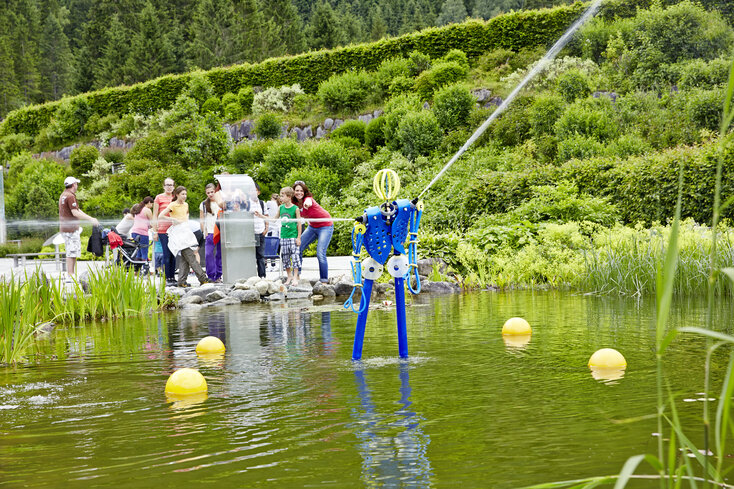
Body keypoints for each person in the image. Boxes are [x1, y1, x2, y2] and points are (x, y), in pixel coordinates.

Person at [157, 186, 209, 287]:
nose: (185, 196)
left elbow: (186, 215)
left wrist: (185, 223)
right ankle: (203, 278)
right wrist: (174, 220)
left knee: (185, 258)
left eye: (185, 194)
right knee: (190, 255)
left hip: (186, 231)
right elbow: (160, 216)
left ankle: (181, 281)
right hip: (177, 233)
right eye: (182, 194)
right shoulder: (172, 205)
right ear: (177, 195)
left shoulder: (186, 205)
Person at [293, 180, 333, 283]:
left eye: (301, 191)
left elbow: (308, 202)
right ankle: (296, 276)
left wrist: (306, 204)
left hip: (325, 226)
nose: (299, 193)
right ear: (293, 191)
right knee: (298, 247)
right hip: (312, 227)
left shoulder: (308, 199)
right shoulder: (294, 203)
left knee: (320, 253)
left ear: (304, 191)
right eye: (297, 190)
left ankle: (324, 280)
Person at [58, 176, 99, 278]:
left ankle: (71, 274)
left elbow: (77, 209)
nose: (77, 186)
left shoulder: (64, 195)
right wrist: (90, 219)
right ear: (73, 185)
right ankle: (70, 275)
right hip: (70, 229)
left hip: (66, 228)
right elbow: (75, 212)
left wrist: (90, 218)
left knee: (72, 251)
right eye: (76, 184)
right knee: (71, 252)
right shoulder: (70, 196)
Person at [152, 178, 177, 286]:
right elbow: (154, 215)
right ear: (163, 186)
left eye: (171, 185)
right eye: (167, 185)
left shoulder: (175, 198)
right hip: (162, 230)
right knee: (166, 253)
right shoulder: (159, 197)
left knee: (174, 254)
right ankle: (167, 278)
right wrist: (155, 231)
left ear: (174, 186)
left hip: (174, 230)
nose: (169, 187)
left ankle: (172, 277)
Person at [275, 187, 302, 285]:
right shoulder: (280, 208)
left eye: (282, 196)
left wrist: (298, 237)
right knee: (285, 258)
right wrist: (261, 216)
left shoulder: (295, 209)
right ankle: (289, 276)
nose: (281, 198)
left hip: (293, 236)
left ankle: (295, 277)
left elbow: (299, 224)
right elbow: (274, 219)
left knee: (295, 257)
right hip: (283, 236)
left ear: (289, 197)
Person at [200, 183, 222, 282]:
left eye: (212, 192)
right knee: (208, 254)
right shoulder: (204, 204)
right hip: (209, 232)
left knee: (219, 254)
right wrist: (203, 231)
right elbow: (202, 219)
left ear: (215, 191)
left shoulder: (220, 202)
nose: (210, 194)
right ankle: (210, 275)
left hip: (220, 231)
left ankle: (218, 275)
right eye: (208, 193)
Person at [247, 182, 269, 278]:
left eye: (255, 190)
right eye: (251, 190)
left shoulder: (262, 203)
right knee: (250, 256)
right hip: (250, 233)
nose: (253, 192)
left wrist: (266, 228)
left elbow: (266, 216)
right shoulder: (246, 203)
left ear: (258, 192)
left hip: (261, 232)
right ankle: (251, 276)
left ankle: (262, 276)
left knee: (261, 256)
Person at [130, 196, 154, 261]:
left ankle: (136, 270)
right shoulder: (147, 210)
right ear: (149, 202)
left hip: (134, 232)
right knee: (144, 252)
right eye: (152, 204)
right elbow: (152, 223)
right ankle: (145, 268)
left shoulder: (139, 209)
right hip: (143, 233)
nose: (152, 206)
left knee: (138, 252)